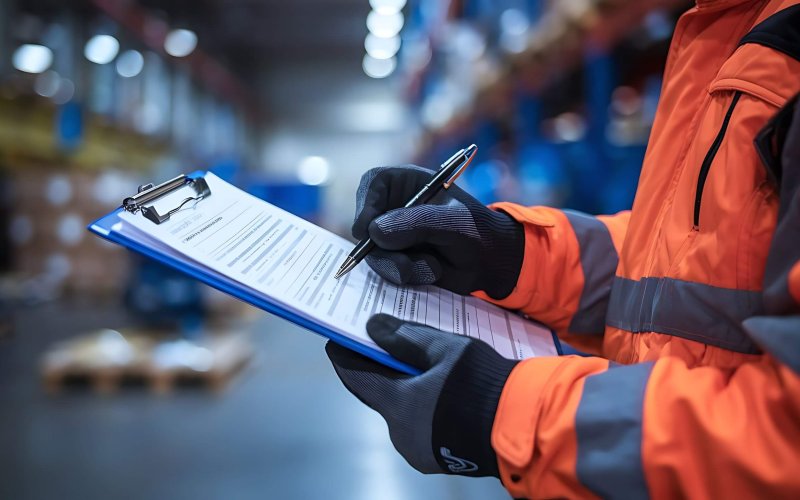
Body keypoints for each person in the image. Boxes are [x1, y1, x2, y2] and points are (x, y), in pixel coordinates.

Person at [326, 1, 800, 498]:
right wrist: (508, 252)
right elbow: (686, 255)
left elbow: (787, 441)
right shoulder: (725, 24)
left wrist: (505, 410)